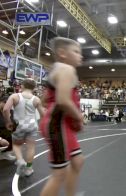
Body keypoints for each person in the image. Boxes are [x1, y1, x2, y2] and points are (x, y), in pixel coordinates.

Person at [39, 37, 84, 196]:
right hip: (56, 125)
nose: (80, 55)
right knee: (59, 174)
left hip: (59, 124)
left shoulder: (56, 69)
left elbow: (45, 101)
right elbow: (63, 100)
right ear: (62, 53)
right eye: (76, 51)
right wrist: (78, 117)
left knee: (77, 162)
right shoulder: (66, 69)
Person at [3, 79, 46, 176]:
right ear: (34, 88)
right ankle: (29, 168)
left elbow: (6, 109)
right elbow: (43, 114)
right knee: (31, 147)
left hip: (19, 125)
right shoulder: (36, 99)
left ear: (22, 86)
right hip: (32, 125)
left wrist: (8, 121)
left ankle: (20, 160)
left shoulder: (14, 96)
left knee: (17, 145)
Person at [0, 96, 16, 161]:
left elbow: (13, 125)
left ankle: (5, 154)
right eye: (5, 102)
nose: (7, 105)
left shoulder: (11, 112)